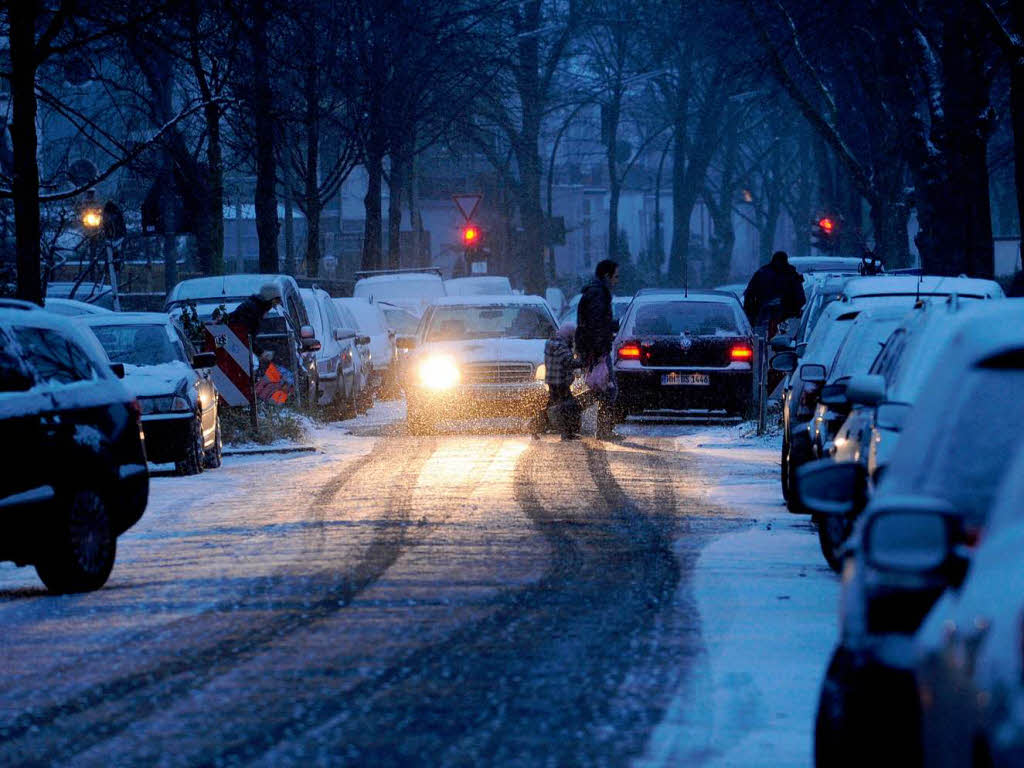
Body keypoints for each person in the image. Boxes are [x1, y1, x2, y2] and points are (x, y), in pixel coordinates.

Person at [576, 259, 620, 439]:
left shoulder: (595, 292)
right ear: (607, 276)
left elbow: (596, 322)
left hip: (593, 348)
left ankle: (565, 411)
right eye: (615, 277)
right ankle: (603, 430)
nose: (617, 281)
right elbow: (596, 324)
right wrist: (600, 351)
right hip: (596, 350)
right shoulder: (599, 294)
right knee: (609, 389)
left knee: (599, 389)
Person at [743, 250, 806, 336]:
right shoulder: (791, 274)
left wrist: (751, 314)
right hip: (784, 316)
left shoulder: (763, 273)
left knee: (762, 337)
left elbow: (749, 294)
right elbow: (800, 298)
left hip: (764, 314)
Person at [542, 322, 582, 440]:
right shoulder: (561, 346)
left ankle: (537, 426)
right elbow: (570, 362)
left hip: (552, 380)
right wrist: (584, 360)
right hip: (561, 382)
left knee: (552, 405)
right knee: (569, 406)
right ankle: (567, 433)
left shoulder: (550, 344)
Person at [227, 282, 282, 363]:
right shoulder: (253, 310)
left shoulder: (255, 306)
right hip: (235, 349)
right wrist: (261, 352)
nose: (275, 305)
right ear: (271, 299)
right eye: (276, 301)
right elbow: (245, 335)